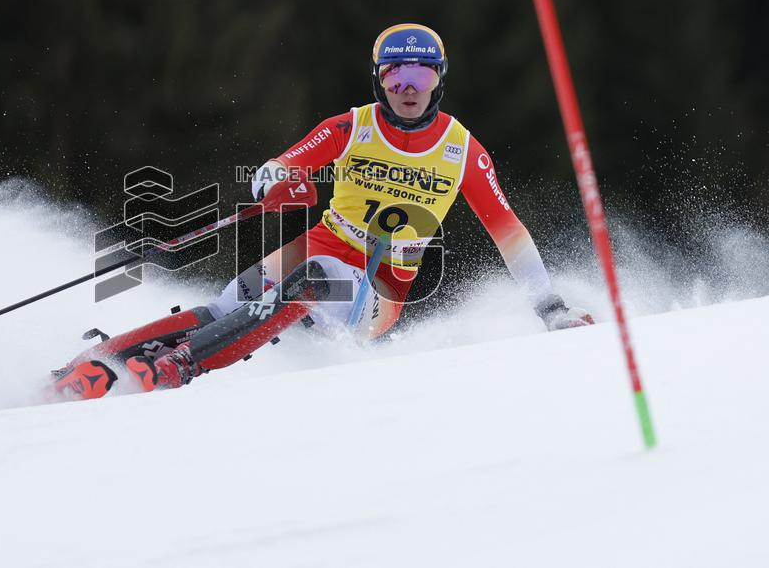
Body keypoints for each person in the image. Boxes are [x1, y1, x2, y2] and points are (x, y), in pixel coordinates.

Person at [49, 23, 592, 401]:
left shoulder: (461, 149)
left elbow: (509, 232)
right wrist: (274, 176)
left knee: (314, 281)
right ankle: (103, 362)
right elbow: (289, 162)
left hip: (380, 289)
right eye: (394, 77)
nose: (407, 90)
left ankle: (180, 364)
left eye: (420, 78)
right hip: (322, 245)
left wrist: (550, 307)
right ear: (378, 79)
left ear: (439, 81)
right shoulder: (352, 127)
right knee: (225, 305)